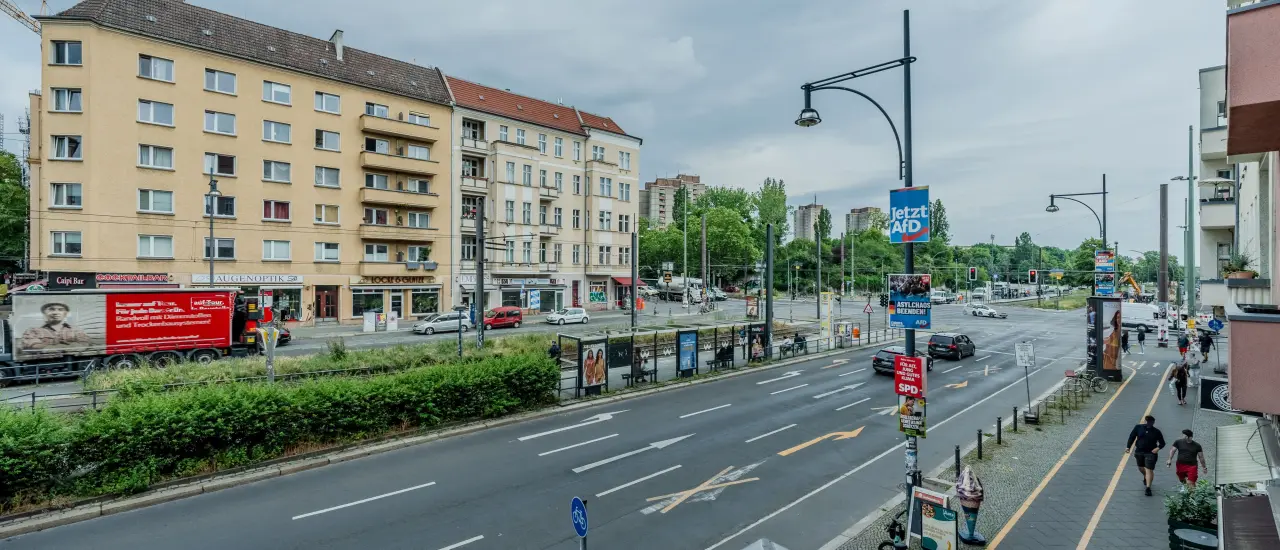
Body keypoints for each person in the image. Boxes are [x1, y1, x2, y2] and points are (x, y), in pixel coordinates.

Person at [21, 302, 92, 351]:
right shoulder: (33, 331)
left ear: (65, 313)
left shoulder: (76, 330)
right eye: (51, 309)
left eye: (60, 310)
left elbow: (84, 343)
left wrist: (53, 348)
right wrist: (67, 347)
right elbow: (32, 345)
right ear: (44, 312)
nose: (55, 312)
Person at [1125, 415, 1166, 496]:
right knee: (1141, 467)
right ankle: (1146, 476)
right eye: (1147, 421)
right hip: (1139, 451)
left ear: (1153, 422)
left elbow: (1162, 443)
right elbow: (1132, 437)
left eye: (1150, 422)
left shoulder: (1156, 432)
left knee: (1149, 469)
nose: (1148, 423)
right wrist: (1128, 447)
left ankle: (1148, 488)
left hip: (1150, 453)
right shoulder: (1138, 427)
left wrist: (1157, 448)